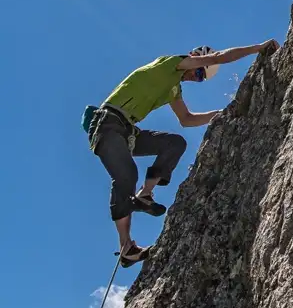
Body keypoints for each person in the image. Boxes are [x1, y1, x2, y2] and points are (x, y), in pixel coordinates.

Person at [84, 41, 280, 267]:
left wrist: (223, 113)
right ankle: (126, 247)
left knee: (174, 143)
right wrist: (259, 48)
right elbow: (218, 58)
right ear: (194, 58)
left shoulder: (174, 88)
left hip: (128, 131)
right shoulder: (171, 63)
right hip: (108, 124)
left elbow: (186, 120)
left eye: (200, 78)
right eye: (198, 71)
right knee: (126, 175)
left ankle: (145, 195)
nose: (195, 78)